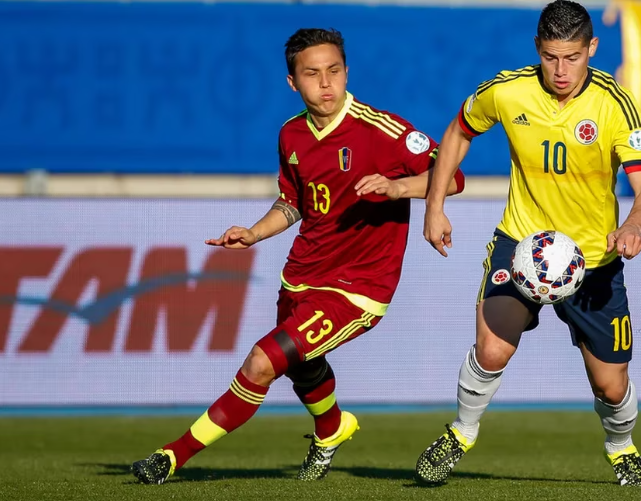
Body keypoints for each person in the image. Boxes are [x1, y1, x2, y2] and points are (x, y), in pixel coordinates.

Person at [131, 27, 465, 485]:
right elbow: (293, 203)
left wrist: (398, 187)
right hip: (302, 275)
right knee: (302, 367)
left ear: (347, 72)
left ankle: (171, 456)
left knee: (262, 362)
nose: (326, 83)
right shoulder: (291, 134)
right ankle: (331, 428)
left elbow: (451, 176)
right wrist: (253, 233)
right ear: (293, 82)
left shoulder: (381, 130)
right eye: (312, 74)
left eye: (334, 71)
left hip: (359, 288)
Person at [415, 0, 641, 487]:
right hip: (521, 247)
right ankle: (460, 434)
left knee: (611, 386)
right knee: (491, 351)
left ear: (592, 48)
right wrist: (434, 205)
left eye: (572, 56)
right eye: (551, 57)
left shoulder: (614, 104)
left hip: (594, 261)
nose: (561, 69)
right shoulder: (508, 91)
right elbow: (459, 130)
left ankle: (621, 447)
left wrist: (632, 225)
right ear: (537, 49)